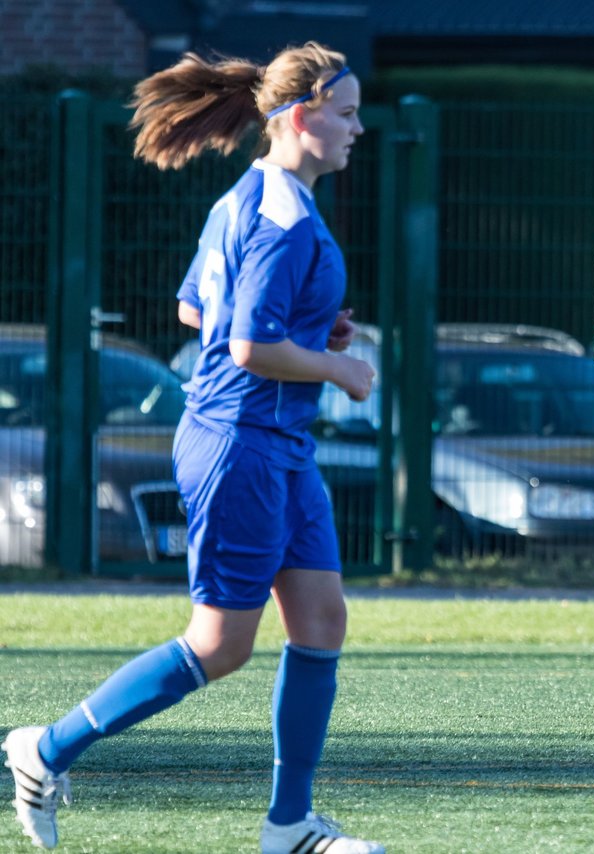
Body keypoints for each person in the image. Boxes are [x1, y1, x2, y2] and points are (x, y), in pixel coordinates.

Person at [2, 43, 383, 852]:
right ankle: (44, 748)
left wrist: (312, 328)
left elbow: (191, 312)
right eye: (346, 115)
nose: (358, 130)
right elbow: (246, 345)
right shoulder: (279, 216)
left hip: (276, 442)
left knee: (321, 620)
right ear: (300, 117)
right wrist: (341, 366)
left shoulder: (248, 199)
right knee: (219, 645)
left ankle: (289, 826)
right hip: (240, 442)